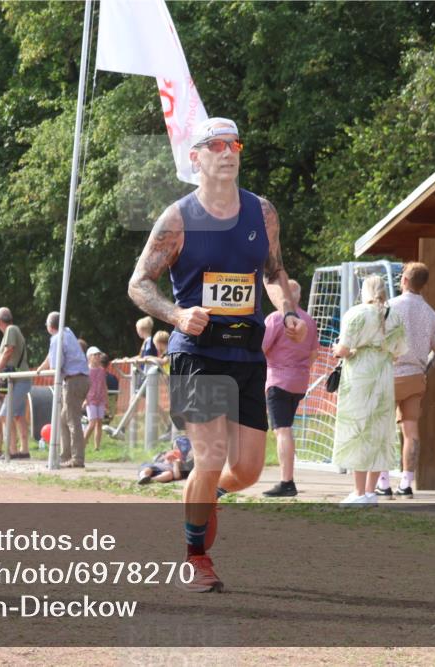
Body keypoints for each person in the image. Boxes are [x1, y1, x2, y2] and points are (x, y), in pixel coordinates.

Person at [127, 117, 307, 592]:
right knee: (209, 458)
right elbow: (138, 283)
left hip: (247, 353)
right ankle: (195, 556)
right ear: (196, 158)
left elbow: (272, 271)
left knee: (246, 469)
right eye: (216, 145)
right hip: (198, 351)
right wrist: (178, 315)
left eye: (234, 144)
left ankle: (207, 498)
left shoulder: (262, 213)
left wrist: (286, 308)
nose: (228, 152)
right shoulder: (178, 218)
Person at [331, 275, 406, 505]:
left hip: (359, 376)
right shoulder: (393, 315)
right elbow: (399, 351)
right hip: (383, 375)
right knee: (379, 430)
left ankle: (358, 492)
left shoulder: (356, 313)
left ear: (365, 291)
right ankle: (372, 492)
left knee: (357, 428)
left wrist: (338, 350)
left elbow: (343, 349)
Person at [376, 262, 435, 499]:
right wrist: (424, 370)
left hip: (389, 375)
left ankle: (383, 482)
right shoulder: (432, 314)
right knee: (411, 431)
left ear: (404, 279)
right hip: (416, 376)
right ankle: (406, 483)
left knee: (382, 430)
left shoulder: (389, 307)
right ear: (423, 284)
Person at [262, 279, 318, 497]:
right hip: (299, 381)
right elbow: (313, 354)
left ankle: (287, 481)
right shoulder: (310, 321)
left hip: (278, 380)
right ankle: (287, 479)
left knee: (282, 430)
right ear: (300, 297)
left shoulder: (276, 318)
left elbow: (261, 348)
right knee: (286, 428)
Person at [36, 312, 90, 468]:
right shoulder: (67, 332)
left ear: (50, 326)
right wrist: (40, 368)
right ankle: (65, 456)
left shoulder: (56, 338)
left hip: (74, 381)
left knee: (73, 420)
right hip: (81, 379)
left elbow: (56, 365)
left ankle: (77, 459)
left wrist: (49, 369)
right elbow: (51, 357)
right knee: (63, 418)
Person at [0, 308, 31, 459]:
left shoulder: (10, 330)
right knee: (19, 416)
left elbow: (8, 352)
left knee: (4, 414)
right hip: (19, 379)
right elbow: (1, 355)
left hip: (19, 380)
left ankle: (12, 451)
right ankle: (24, 450)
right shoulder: (12, 330)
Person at [83, 346, 107, 451]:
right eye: (95, 355)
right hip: (90, 399)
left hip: (100, 399)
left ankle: (97, 447)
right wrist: (84, 399)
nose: (97, 357)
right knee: (92, 422)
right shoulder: (86, 370)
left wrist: (105, 400)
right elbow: (84, 386)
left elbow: (104, 385)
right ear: (89, 357)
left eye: (98, 355)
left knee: (99, 422)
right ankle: (82, 443)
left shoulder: (102, 370)